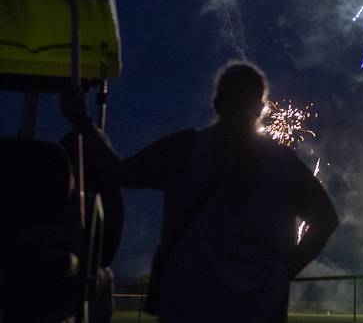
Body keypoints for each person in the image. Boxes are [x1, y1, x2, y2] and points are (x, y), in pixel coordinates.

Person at [61, 61, 338, 323]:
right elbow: (326, 218)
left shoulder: (185, 148)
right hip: (259, 307)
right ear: (261, 108)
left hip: (188, 302)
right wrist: (282, 273)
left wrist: (83, 122)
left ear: (217, 103)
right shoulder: (283, 163)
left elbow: (119, 172)